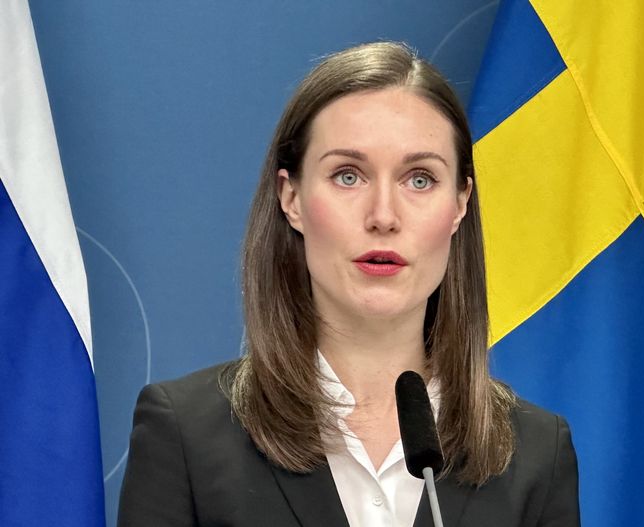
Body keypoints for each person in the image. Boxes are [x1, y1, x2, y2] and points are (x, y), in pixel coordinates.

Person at [117, 41, 579, 527]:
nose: (383, 216)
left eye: (419, 179)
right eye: (348, 176)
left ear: (460, 203)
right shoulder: (185, 434)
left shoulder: (536, 453)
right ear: (291, 197)